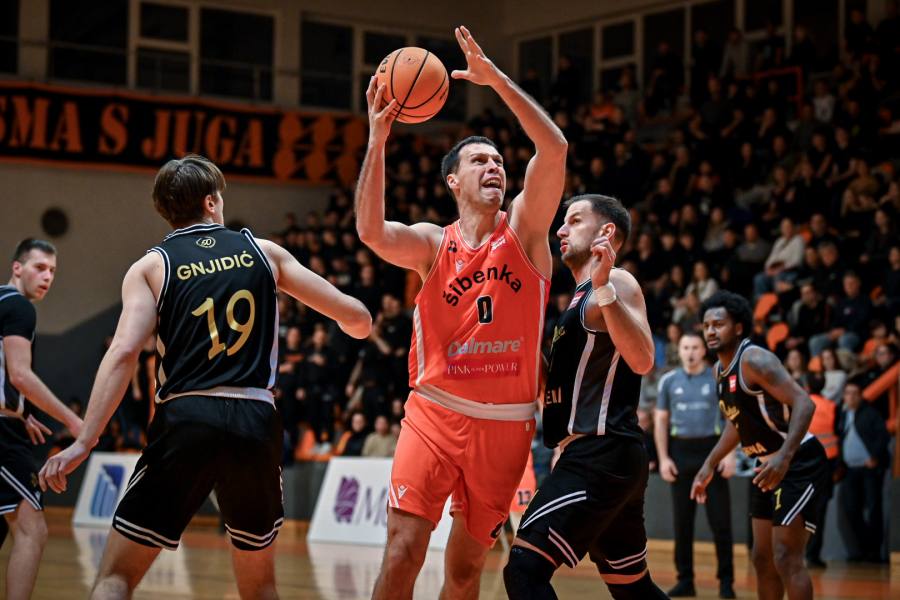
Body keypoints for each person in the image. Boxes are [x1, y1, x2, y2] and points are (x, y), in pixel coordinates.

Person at [38, 155, 372, 600]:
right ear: (212, 202)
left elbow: (123, 353)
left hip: (188, 416)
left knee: (115, 579)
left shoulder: (151, 267)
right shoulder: (263, 252)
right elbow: (357, 319)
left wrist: (85, 441)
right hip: (255, 418)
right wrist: (356, 319)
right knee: (261, 589)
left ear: (166, 210)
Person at [356, 26, 567, 600]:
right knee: (402, 550)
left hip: (507, 424)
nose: (493, 166)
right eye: (479, 160)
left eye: (498, 160)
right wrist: (378, 138)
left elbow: (553, 150)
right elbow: (371, 231)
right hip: (435, 412)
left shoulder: (526, 233)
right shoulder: (432, 243)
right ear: (454, 180)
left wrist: (496, 81)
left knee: (467, 570)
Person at [505, 195, 666, 600]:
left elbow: (644, 359)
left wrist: (604, 287)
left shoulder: (617, 283)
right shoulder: (577, 300)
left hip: (601, 454)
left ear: (605, 232)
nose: (561, 229)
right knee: (633, 589)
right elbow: (555, 388)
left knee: (524, 568)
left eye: (574, 221)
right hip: (599, 455)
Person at [692, 290, 829, 600]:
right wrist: (709, 463)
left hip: (798, 460)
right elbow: (736, 424)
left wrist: (784, 457)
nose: (711, 331)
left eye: (719, 324)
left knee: (786, 556)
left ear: (738, 327)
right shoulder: (718, 371)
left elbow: (804, 403)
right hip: (766, 465)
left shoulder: (755, 359)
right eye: (707, 325)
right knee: (761, 558)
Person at [0, 239, 83, 600]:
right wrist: (74, 421)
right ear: (17, 268)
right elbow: (19, 375)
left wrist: (23, 411)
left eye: (52, 271)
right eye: (39, 267)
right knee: (33, 531)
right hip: (2, 434)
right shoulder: (19, 307)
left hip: (10, 421)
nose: (47, 276)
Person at [655, 332, 735, 598]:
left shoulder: (717, 378)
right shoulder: (668, 381)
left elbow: (731, 417)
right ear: (679, 350)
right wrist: (664, 458)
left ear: (703, 350)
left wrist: (729, 455)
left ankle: (726, 582)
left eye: (695, 347)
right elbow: (661, 421)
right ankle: (685, 580)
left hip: (712, 452)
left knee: (721, 523)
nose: (690, 352)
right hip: (680, 453)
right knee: (682, 523)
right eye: (685, 347)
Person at [836, 380, 890, 563]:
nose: (850, 397)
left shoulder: (870, 413)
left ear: (860, 396)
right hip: (850, 470)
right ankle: (861, 549)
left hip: (869, 469)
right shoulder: (843, 415)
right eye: (847, 393)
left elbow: (883, 436)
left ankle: (874, 552)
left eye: (854, 393)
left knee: (873, 509)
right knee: (851, 510)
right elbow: (839, 439)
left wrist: (875, 457)